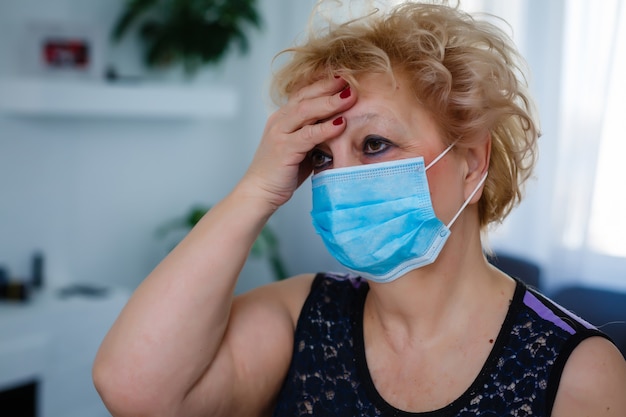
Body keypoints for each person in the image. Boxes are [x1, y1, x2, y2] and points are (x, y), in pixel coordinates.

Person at [92, 1, 626, 416]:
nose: (342, 177)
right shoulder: (299, 315)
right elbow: (132, 389)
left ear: (470, 160)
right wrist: (258, 189)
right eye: (321, 157)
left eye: (374, 145)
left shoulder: (581, 371)